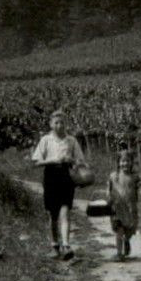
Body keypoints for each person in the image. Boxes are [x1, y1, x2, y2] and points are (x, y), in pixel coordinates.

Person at [32, 110, 86, 260]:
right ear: (51, 124)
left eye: (62, 122)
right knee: (52, 214)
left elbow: (80, 160)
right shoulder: (46, 140)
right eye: (56, 122)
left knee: (65, 209)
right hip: (50, 176)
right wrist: (53, 160)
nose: (59, 125)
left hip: (66, 176)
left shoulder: (71, 141)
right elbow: (36, 161)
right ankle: (55, 245)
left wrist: (72, 161)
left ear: (66, 124)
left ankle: (66, 245)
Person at [106, 146, 141, 262]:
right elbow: (109, 189)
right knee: (119, 230)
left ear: (131, 163)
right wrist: (108, 199)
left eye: (127, 161)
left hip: (131, 208)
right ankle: (119, 253)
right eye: (122, 161)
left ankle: (127, 240)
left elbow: (140, 190)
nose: (125, 164)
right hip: (117, 208)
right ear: (118, 163)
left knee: (129, 230)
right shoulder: (113, 176)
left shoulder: (134, 177)